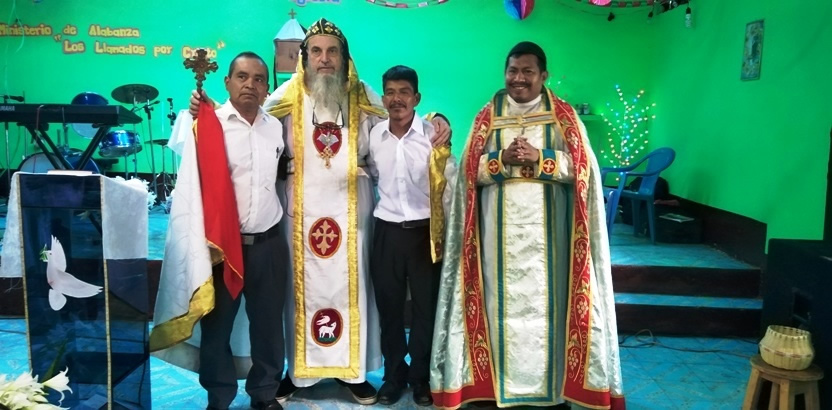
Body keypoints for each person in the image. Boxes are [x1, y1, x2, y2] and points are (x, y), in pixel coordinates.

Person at [188, 18, 450, 405]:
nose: (324, 59)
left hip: (353, 216)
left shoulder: (363, 95)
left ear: (344, 58)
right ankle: (300, 374)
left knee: (352, 292)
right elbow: (244, 116)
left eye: (332, 52)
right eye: (316, 51)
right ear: (305, 57)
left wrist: (438, 118)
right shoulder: (284, 97)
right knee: (300, 294)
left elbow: (401, 117)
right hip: (300, 216)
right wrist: (204, 108)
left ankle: (352, 373)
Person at [429, 41, 626, 409]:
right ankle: (492, 388)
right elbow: (468, 174)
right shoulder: (488, 117)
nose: (518, 78)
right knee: (495, 310)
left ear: (543, 75)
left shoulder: (563, 116)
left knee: (548, 314)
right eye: (512, 71)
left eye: (527, 72)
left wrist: (542, 158)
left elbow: (585, 171)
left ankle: (553, 390)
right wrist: (500, 160)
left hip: (550, 244)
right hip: (494, 244)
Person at [149, 52, 287, 410]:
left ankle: (264, 394)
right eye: (242, 76)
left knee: (269, 327)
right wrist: (197, 109)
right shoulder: (208, 124)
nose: (250, 85)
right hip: (222, 246)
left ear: (267, 88)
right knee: (217, 327)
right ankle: (219, 396)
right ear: (227, 82)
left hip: (269, 243)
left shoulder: (275, 127)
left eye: (258, 79)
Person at [365, 65, 456, 407]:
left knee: (424, 310)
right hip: (386, 232)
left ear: (416, 98)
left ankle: (420, 377)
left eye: (404, 92)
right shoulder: (374, 136)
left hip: (424, 235)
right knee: (388, 309)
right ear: (383, 97)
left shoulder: (434, 135)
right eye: (390, 92)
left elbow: (450, 181)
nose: (396, 99)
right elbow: (373, 176)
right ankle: (393, 376)